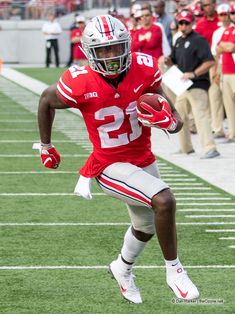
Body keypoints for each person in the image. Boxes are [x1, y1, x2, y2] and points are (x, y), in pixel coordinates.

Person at [37, 14, 199, 304]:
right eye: (104, 50)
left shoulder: (144, 68)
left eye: (116, 48)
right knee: (164, 200)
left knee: (146, 227)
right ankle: (175, 271)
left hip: (142, 158)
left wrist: (168, 122)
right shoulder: (79, 81)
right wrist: (46, 146)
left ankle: (121, 268)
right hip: (108, 165)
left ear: (127, 45)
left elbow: (175, 120)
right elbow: (46, 99)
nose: (111, 56)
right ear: (90, 53)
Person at [165, 10, 220, 158]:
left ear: (192, 23)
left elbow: (210, 61)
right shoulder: (178, 40)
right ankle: (186, 147)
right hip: (182, 85)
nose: (183, 26)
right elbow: (174, 60)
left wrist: (194, 73)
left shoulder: (199, 40)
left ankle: (210, 148)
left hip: (197, 84)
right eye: (181, 23)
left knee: (200, 115)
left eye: (186, 23)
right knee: (179, 116)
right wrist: (166, 60)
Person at [209, 3, 231, 139]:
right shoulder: (217, 32)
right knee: (214, 95)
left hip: (230, 64)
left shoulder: (232, 29)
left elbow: (227, 48)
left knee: (229, 99)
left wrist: (222, 48)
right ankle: (218, 128)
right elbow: (215, 52)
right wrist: (214, 72)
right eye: (221, 15)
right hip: (219, 64)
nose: (223, 17)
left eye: (225, 14)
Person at [216, 4, 235, 143]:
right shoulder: (227, 30)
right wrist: (225, 47)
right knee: (228, 105)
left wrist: (225, 46)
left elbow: (231, 47)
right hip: (226, 71)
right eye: (232, 13)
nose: (233, 16)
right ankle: (232, 133)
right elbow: (218, 48)